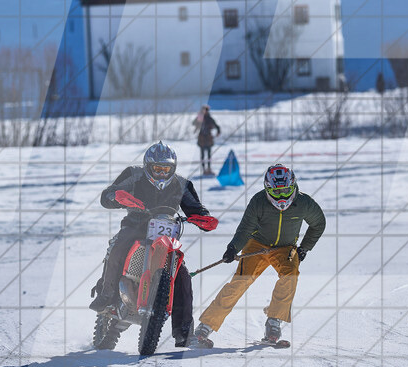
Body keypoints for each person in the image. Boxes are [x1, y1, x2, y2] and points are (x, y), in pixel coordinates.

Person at [89, 141, 219, 347]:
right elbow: (108, 195)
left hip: (165, 236)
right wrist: (117, 196)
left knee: (183, 276)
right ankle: (106, 296)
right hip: (135, 226)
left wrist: (204, 219)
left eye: (166, 169)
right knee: (118, 247)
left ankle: (185, 334)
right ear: (148, 166)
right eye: (157, 169)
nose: (161, 173)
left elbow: (196, 209)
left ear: (173, 168)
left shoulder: (182, 184)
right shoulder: (134, 174)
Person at [193, 164, 326, 347]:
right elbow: (246, 229)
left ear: (293, 186)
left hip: (285, 248)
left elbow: (319, 223)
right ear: (267, 188)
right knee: (239, 283)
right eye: (276, 191)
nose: (281, 196)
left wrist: (304, 248)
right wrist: (233, 248)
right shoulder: (258, 201)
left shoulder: (304, 203)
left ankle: (274, 322)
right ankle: (206, 326)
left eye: (286, 190)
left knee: (290, 276)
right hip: (257, 246)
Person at [192, 105, 221, 175]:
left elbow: (217, 126)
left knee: (208, 155)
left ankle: (209, 169)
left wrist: (218, 132)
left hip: (208, 138)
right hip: (202, 139)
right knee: (202, 155)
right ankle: (204, 170)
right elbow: (193, 123)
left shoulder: (209, 118)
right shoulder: (200, 117)